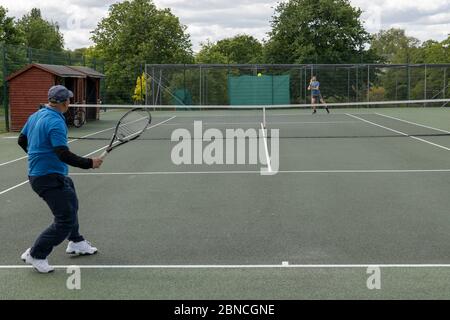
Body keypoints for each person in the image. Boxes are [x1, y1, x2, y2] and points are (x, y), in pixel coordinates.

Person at [18, 85, 103, 273]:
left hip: (44, 174)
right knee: (64, 218)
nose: (70, 103)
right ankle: (36, 254)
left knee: (71, 201)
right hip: (47, 178)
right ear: (65, 102)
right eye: (69, 100)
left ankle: (76, 241)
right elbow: (62, 154)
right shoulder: (56, 122)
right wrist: (90, 163)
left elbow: (21, 141)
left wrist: (37, 156)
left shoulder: (35, 116)